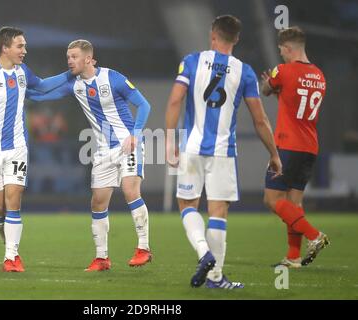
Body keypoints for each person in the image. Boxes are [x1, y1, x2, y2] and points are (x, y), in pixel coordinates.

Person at [165, 15, 282, 289]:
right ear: (237, 39)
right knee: (218, 212)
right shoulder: (245, 72)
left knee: (187, 204)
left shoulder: (192, 61)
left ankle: (203, 252)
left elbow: (174, 100)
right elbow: (260, 119)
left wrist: (171, 141)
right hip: (223, 152)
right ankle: (216, 276)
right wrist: (274, 154)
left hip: (192, 147)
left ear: (212, 35)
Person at [27, 39, 152, 272]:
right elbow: (42, 92)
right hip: (103, 150)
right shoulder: (73, 84)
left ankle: (144, 248)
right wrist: (18, 91)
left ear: (88, 59)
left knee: (130, 191)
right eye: (68, 57)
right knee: (97, 202)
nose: (69, 61)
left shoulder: (113, 78)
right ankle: (102, 258)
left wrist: (135, 135)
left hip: (127, 144)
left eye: (74, 57)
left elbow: (144, 105)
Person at [0, 26, 69, 272]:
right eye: (20, 46)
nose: (24, 51)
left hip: (18, 147)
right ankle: (8, 243)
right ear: (5, 47)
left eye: (25, 46)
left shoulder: (23, 72)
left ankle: (11, 257)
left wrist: (70, 74)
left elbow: (41, 86)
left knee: (14, 201)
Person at [261, 26, 329, 268]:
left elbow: (266, 90)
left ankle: (314, 235)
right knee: (294, 203)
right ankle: (293, 256)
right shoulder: (320, 76)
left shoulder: (284, 70)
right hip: (309, 146)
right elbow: (294, 103)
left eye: (281, 49)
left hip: (286, 144)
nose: (280, 54)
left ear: (288, 48)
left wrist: (269, 83)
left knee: (271, 200)